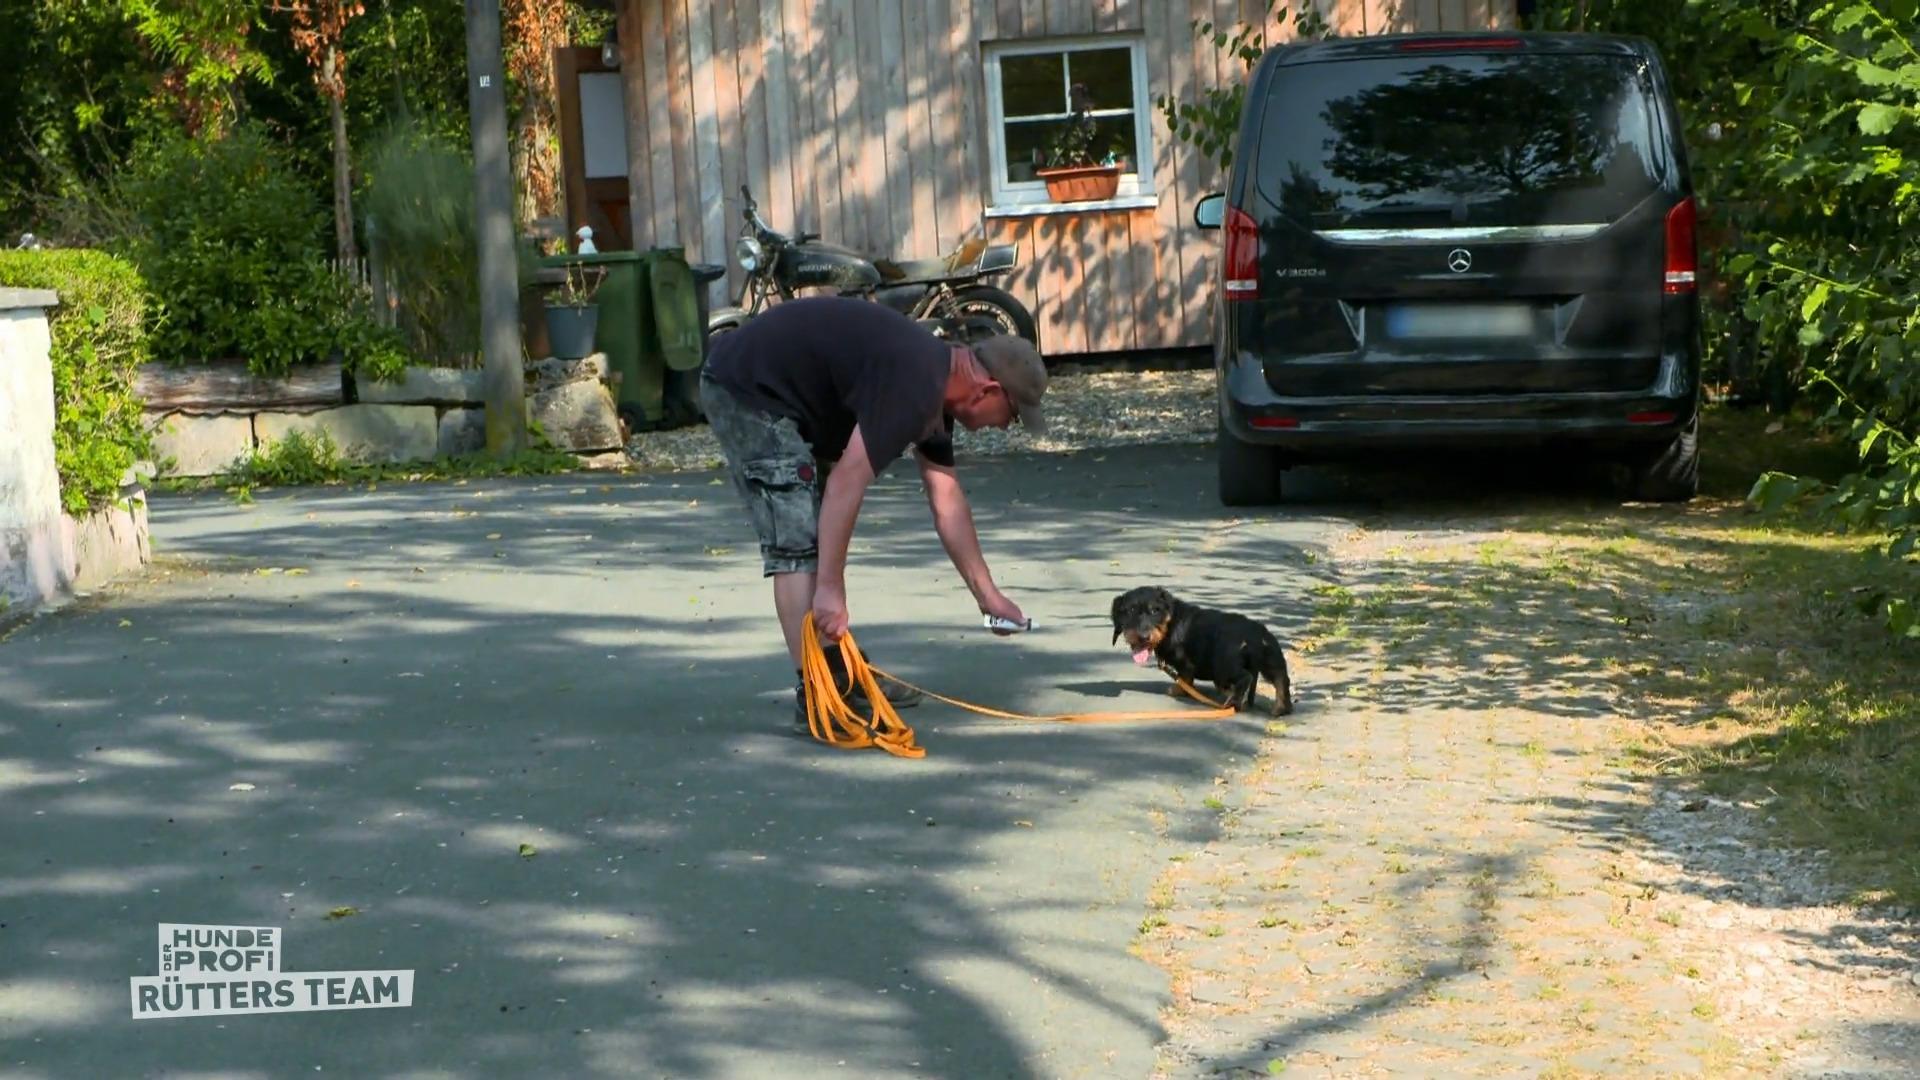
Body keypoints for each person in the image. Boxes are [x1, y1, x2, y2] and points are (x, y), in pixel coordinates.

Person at [698, 295, 1047, 731]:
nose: (1004, 426)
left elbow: (947, 499)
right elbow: (848, 480)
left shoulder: (936, 386)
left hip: (789, 397)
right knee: (797, 542)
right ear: (988, 391)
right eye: (1012, 416)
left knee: (815, 529)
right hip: (747, 391)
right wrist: (829, 589)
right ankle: (820, 693)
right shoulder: (915, 382)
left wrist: (987, 596)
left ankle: (841, 673)